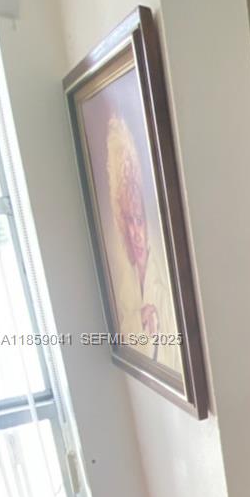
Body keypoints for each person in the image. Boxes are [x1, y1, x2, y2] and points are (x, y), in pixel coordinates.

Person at [105, 115, 182, 378]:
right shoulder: (124, 279)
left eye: (140, 220)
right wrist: (139, 317)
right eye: (129, 220)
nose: (136, 233)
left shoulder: (163, 282)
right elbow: (124, 335)